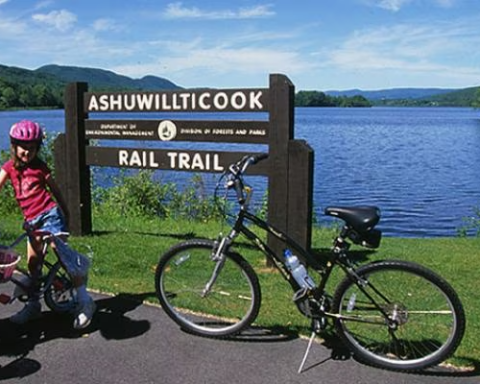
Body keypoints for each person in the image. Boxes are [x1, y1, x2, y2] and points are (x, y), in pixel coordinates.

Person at [0, 119, 96, 329]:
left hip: (50, 216)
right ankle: (34, 307)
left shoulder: (40, 168)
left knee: (61, 253)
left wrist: (66, 213)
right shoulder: (9, 168)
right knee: (33, 264)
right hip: (32, 222)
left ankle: (84, 301)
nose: (27, 152)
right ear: (14, 146)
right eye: (23, 148)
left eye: (32, 148)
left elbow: (56, 191)